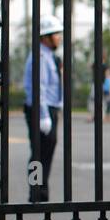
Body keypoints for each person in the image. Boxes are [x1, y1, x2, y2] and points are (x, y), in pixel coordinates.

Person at [23, 16, 65, 203]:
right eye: (56, 34)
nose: (60, 37)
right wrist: (43, 115)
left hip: (49, 108)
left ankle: (41, 191)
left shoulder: (49, 56)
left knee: (45, 153)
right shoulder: (39, 57)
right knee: (38, 153)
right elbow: (38, 87)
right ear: (46, 37)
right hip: (41, 110)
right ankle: (35, 192)